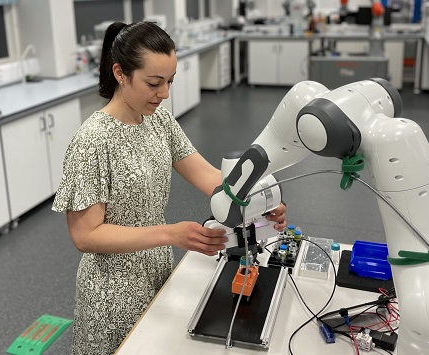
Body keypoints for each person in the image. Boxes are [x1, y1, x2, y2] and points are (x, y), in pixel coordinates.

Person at [52, 21, 287, 354]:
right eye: (153, 83)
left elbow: (208, 177)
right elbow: (85, 236)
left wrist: (261, 198)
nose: (164, 94)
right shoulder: (92, 141)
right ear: (120, 73)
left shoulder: (158, 120)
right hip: (111, 291)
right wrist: (171, 234)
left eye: (170, 82)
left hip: (156, 270)